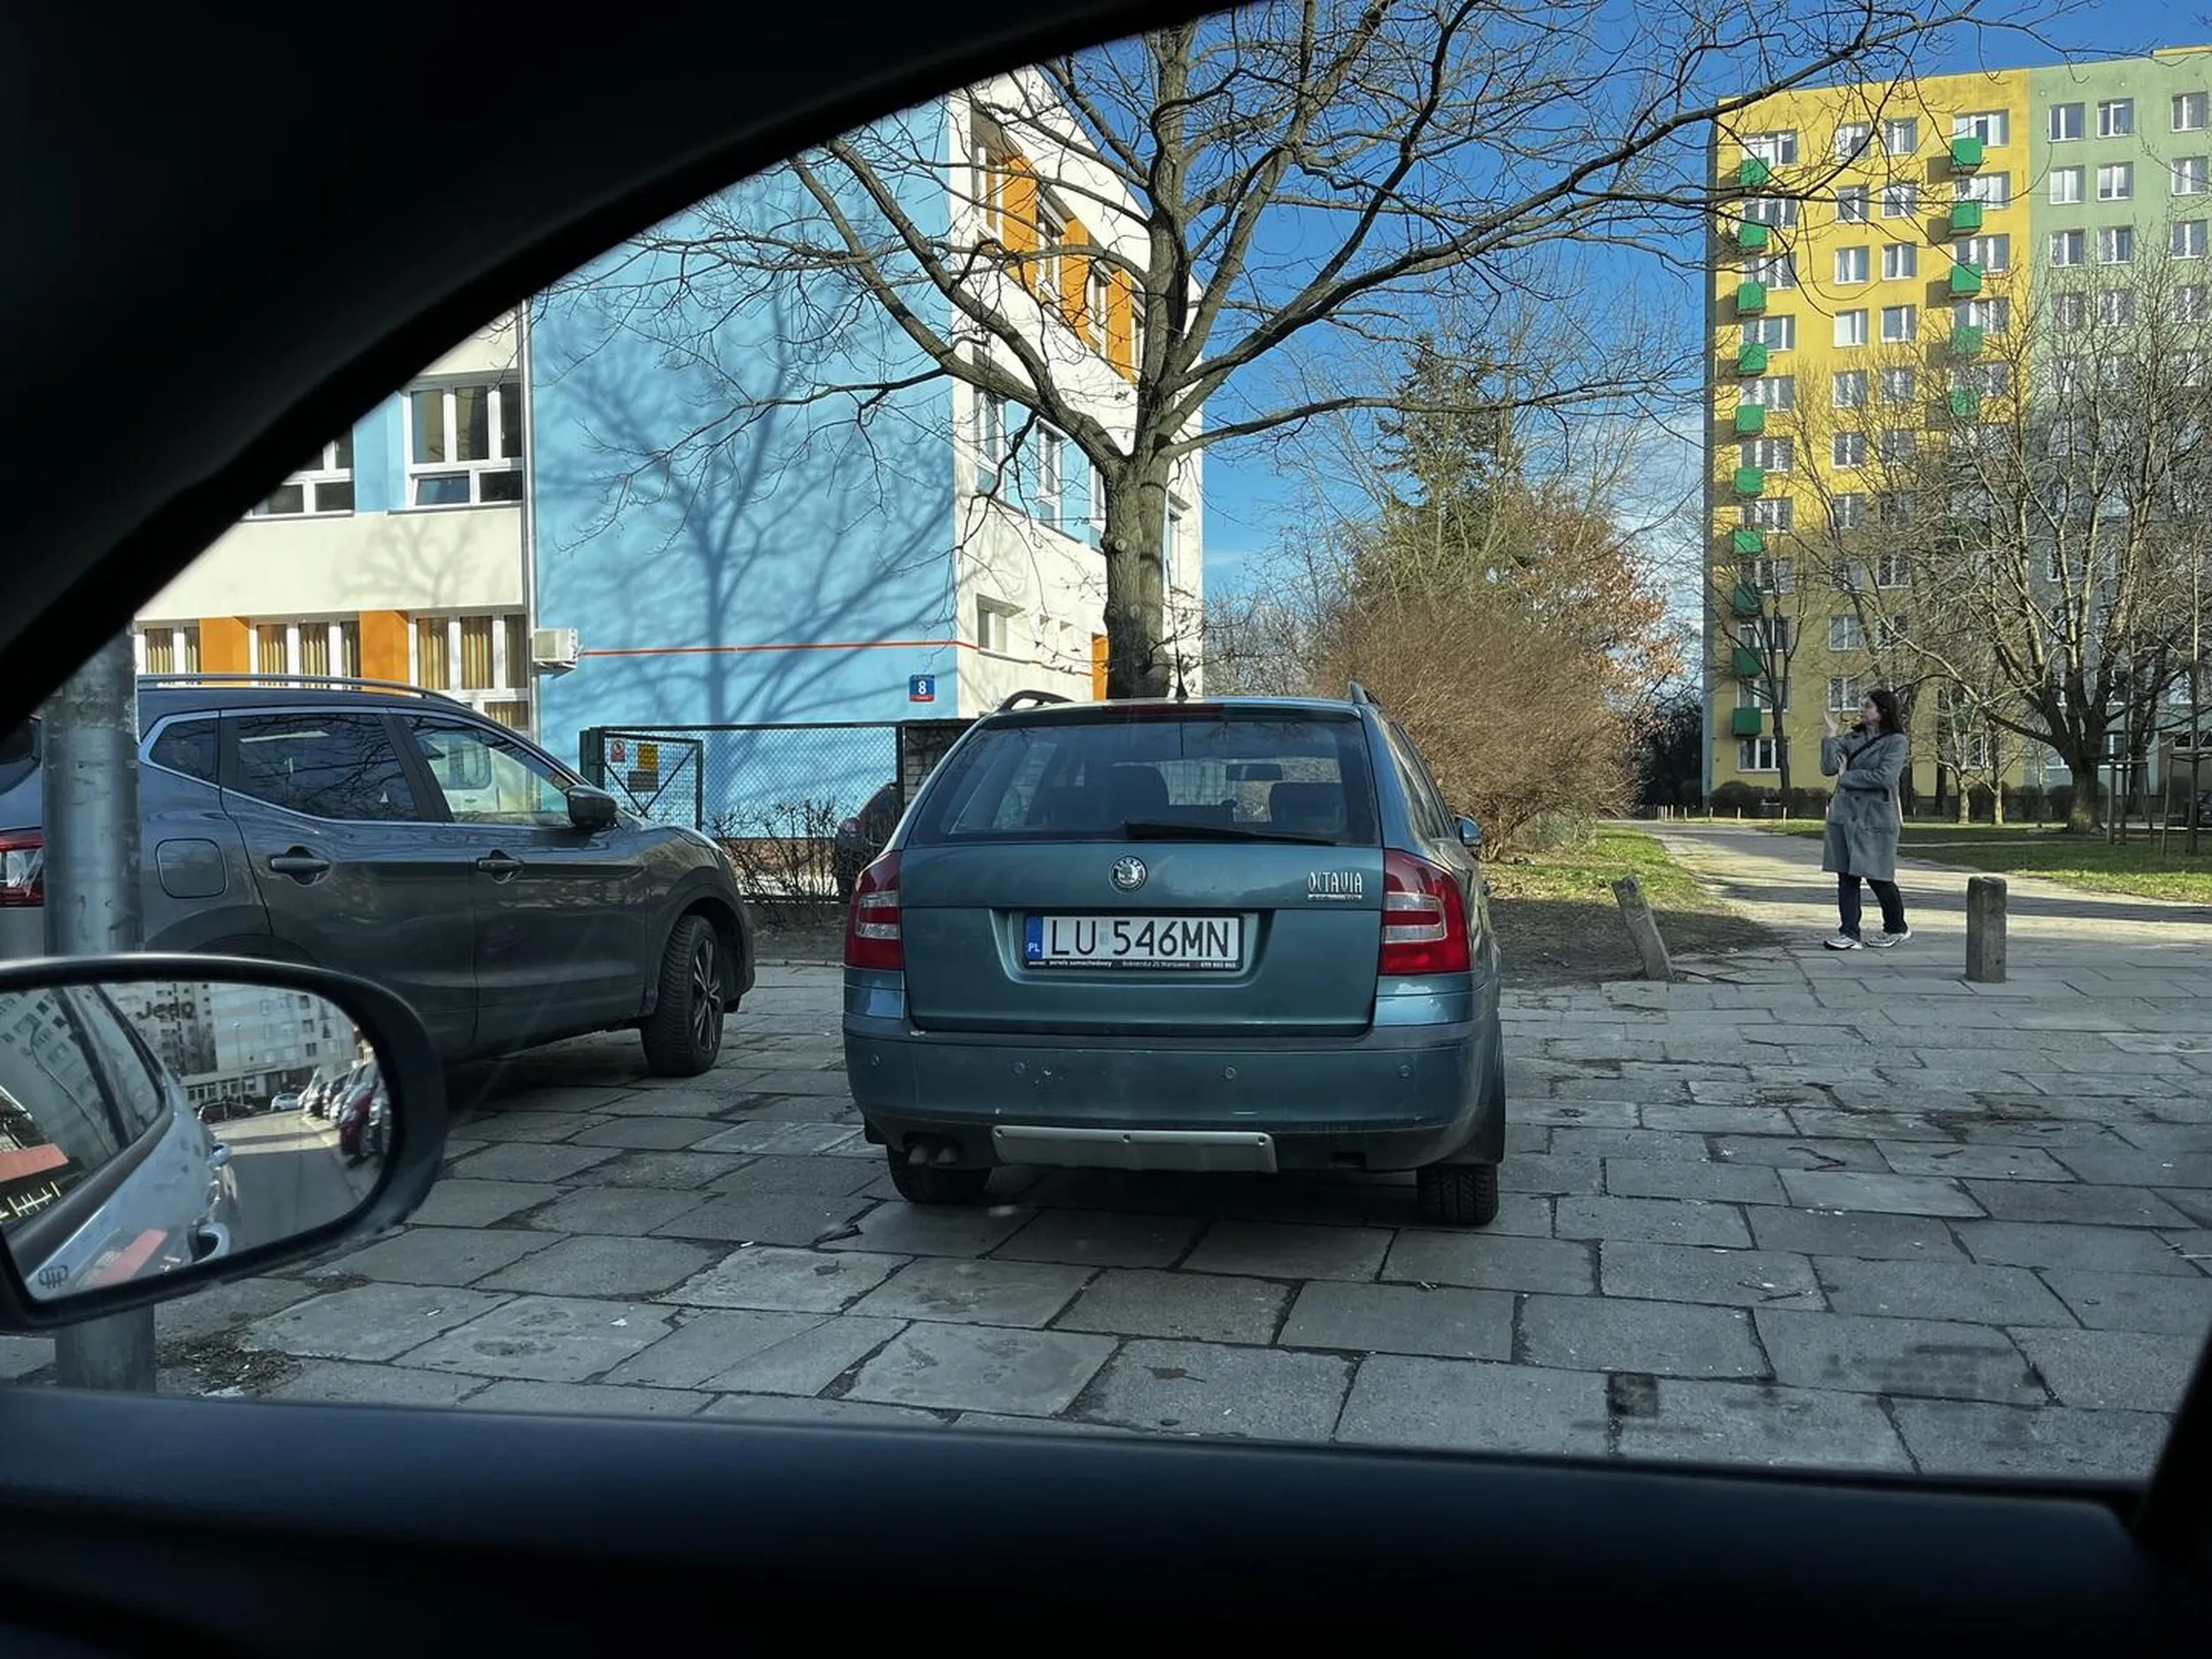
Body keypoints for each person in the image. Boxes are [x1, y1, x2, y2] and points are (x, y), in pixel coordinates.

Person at [1820, 687, 1911, 950]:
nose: (1862, 709)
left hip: (1876, 817)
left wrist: (1847, 777)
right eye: (1862, 705)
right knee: (1846, 875)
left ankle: (1896, 927)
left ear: (1883, 711)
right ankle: (1849, 933)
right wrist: (1831, 735)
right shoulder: (1853, 739)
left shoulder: (1896, 741)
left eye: (1868, 705)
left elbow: (1885, 777)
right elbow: (1828, 768)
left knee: (1877, 876)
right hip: (1846, 814)